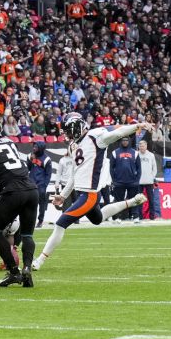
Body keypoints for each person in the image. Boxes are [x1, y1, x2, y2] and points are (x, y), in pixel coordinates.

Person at [33, 113, 152, 270]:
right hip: (83, 193)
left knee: (61, 224)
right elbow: (74, 175)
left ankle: (40, 260)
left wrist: (137, 126)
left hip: (89, 194)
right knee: (99, 218)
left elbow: (117, 133)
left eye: (69, 130)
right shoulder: (73, 145)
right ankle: (132, 202)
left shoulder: (95, 136)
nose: (67, 134)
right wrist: (63, 195)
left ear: (77, 128)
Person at [0, 113, 40, 288]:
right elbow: (19, 170)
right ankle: (26, 268)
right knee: (27, 234)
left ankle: (14, 272)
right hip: (31, 189)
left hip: (13, 192)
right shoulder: (9, 141)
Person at [109, 135, 142, 222]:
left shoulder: (135, 153)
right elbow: (111, 168)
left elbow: (139, 168)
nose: (125, 142)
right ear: (121, 141)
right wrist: (114, 180)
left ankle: (135, 217)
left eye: (126, 140)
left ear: (129, 141)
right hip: (119, 182)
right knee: (119, 201)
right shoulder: (114, 152)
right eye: (123, 140)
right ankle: (118, 217)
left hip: (132, 181)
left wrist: (137, 180)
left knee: (134, 200)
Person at [26, 141, 53, 228]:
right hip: (31, 183)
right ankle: (30, 221)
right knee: (30, 204)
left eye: (36, 147)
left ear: (41, 148)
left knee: (41, 204)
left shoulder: (47, 159)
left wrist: (44, 185)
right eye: (34, 146)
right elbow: (28, 168)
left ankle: (40, 221)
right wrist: (31, 160)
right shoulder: (30, 155)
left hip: (41, 185)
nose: (34, 148)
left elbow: (48, 174)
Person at [138, 140, 161, 221]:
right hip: (139, 182)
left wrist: (152, 177)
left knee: (151, 199)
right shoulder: (136, 155)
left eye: (143, 146)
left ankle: (152, 216)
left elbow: (154, 167)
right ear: (139, 147)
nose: (142, 147)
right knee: (139, 200)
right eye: (140, 146)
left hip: (149, 181)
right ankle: (139, 217)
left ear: (146, 146)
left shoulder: (151, 155)